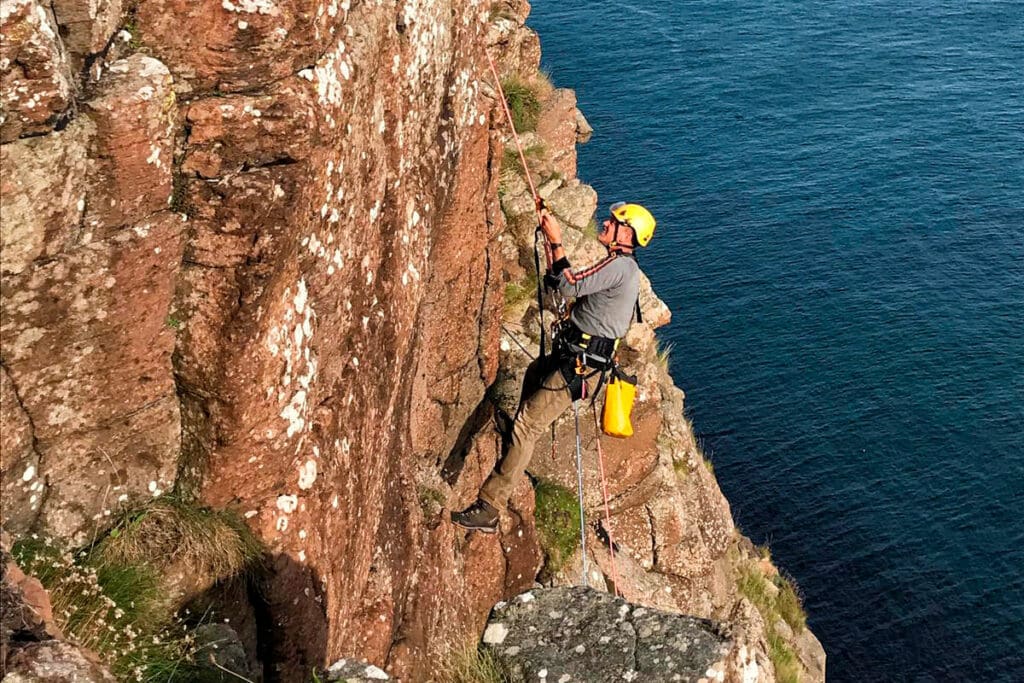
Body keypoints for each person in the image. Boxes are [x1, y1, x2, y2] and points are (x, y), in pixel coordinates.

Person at [452, 202, 656, 532]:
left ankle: (490, 507)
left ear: (627, 233)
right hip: (575, 356)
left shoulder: (620, 268)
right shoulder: (620, 266)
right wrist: (553, 249)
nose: (604, 223)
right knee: (533, 374)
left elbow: (570, 285)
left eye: (613, 221)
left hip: (579, 365)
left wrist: (556, 240)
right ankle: (514, 448)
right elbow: (569, 283)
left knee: (527, 424)